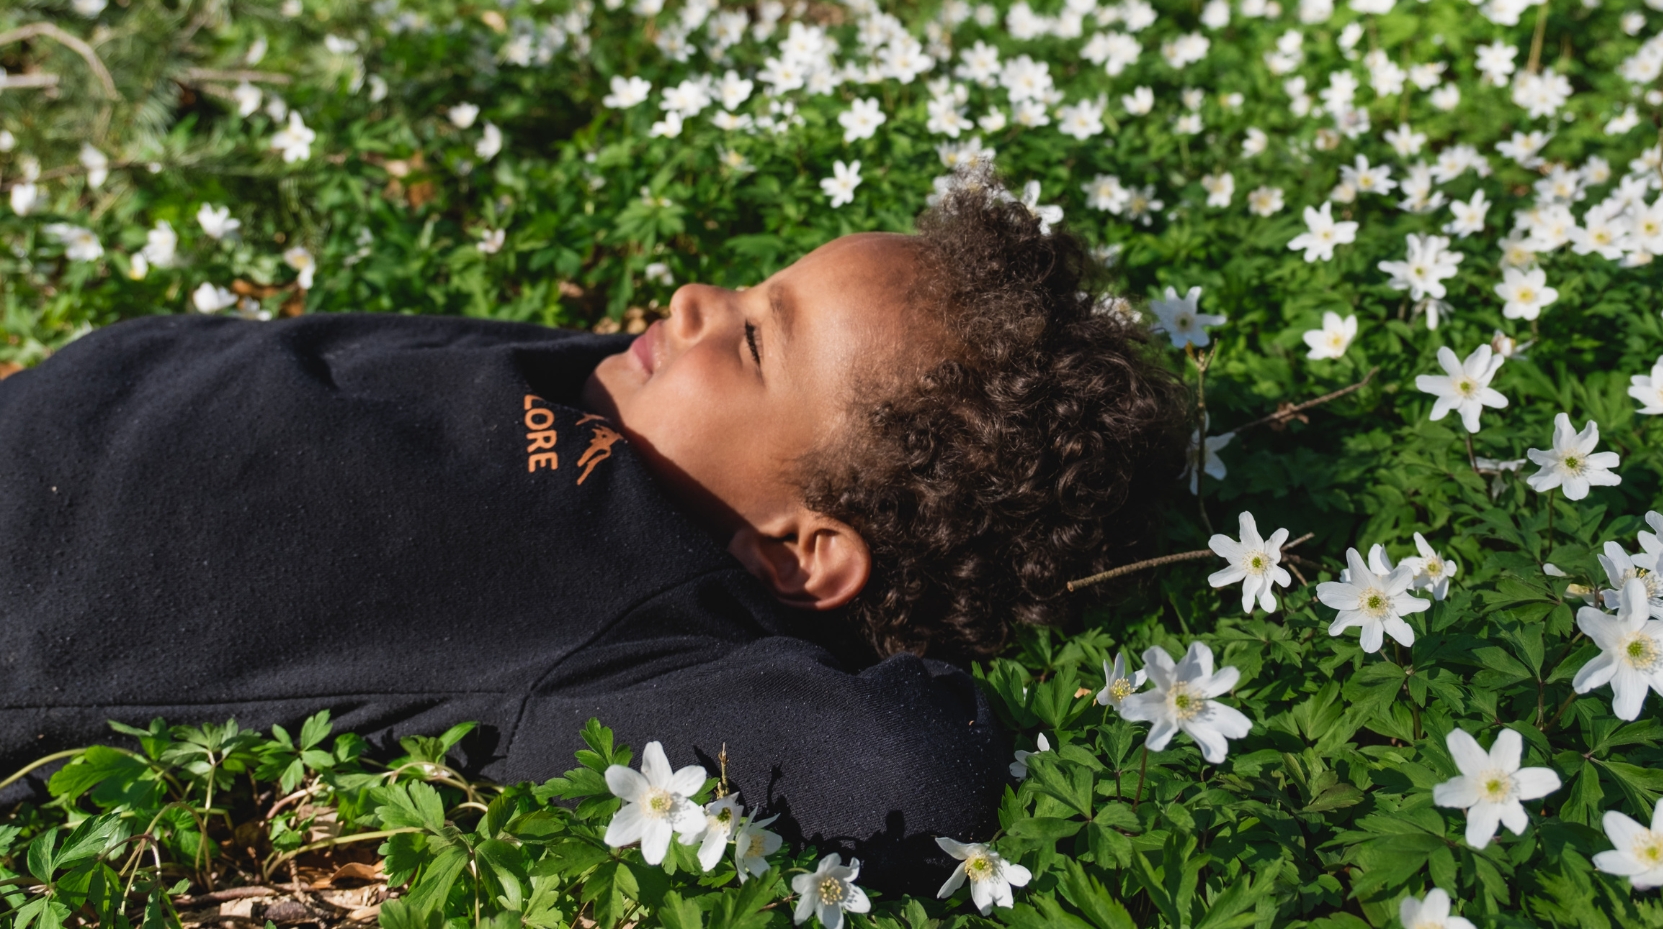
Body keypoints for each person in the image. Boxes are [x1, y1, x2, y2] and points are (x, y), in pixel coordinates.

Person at [0, 178, 1187, 888]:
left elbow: (906, 782)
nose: (695, 302)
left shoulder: (636, 614)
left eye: (758, 343)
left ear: (802, 550)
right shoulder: (608, 383)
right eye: (751, 287)